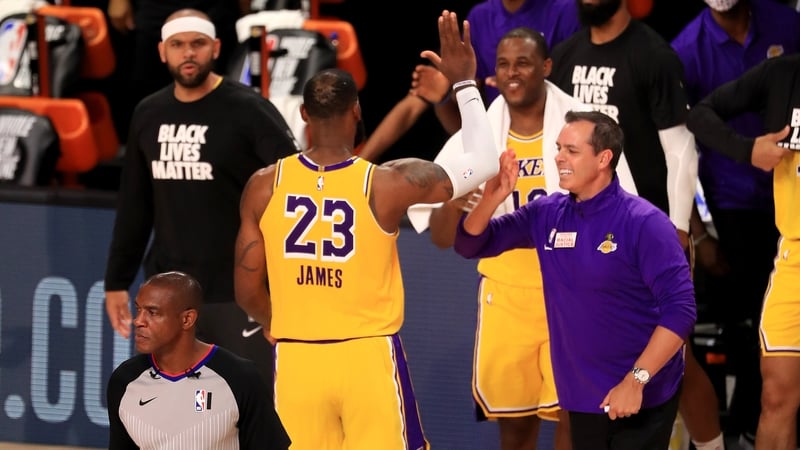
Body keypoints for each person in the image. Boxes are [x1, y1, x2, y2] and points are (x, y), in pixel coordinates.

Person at [233, 10, 505, 450]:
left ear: (303, 114)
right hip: (366, 356)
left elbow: (246, 290)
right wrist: (465, 83)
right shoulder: (387, 182)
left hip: (299, 355)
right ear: (357, 110)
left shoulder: (264, 185)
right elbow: (485, 162)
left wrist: (279, 320)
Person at [406, 27, 635, 450]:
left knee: (574, 417)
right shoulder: (477, 135)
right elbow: (439, 236)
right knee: (515, 427)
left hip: (572, 291)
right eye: (504, 65)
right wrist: (458, 204)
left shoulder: (585, 125)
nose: (512, 74)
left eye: (523, 63)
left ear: (546, 68)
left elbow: (624, 210)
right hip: (506, 296)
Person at [454, 110, 697, 449]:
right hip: (582, 396)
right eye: (558, 148)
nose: (558, 157)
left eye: (571, 150)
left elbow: (681, 310)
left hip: (642, 393)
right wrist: (494, 196)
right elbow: (470, 243)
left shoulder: (645, 222)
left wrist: (637, 379)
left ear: (603, 158)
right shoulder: (547, 214)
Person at [546, 1, 727, 449]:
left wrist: (680, 229)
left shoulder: (653, 55)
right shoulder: (566, 55)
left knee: (674, 355)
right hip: (584, 228)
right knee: (587, 356)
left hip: (643, 229)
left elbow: (682, 151)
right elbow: (560, 147)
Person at [104, 9, 300, 394]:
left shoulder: (248, 109)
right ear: (162, 51)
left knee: (246, 407)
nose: (188, 53)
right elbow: (135, 205)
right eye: (178, 45)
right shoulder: (148, 113)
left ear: (216, 48)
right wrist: (117, 281)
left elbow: (295, 181)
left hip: (236, 292)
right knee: (173, 408)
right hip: (169, 293)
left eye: (197, 44)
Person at [671, 0, 800, 444]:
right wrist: (748, 150)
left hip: (777, 212)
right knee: (751, 337)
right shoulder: (691, 48)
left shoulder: (785, 23)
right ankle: (743, 430)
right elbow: (688, 125)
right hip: (750, 215)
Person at [106, 271, 291, 450]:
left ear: (187, 319)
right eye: (138, 309)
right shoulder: (124, 381)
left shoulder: (240, 378)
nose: (138, 321)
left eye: (152, 312)